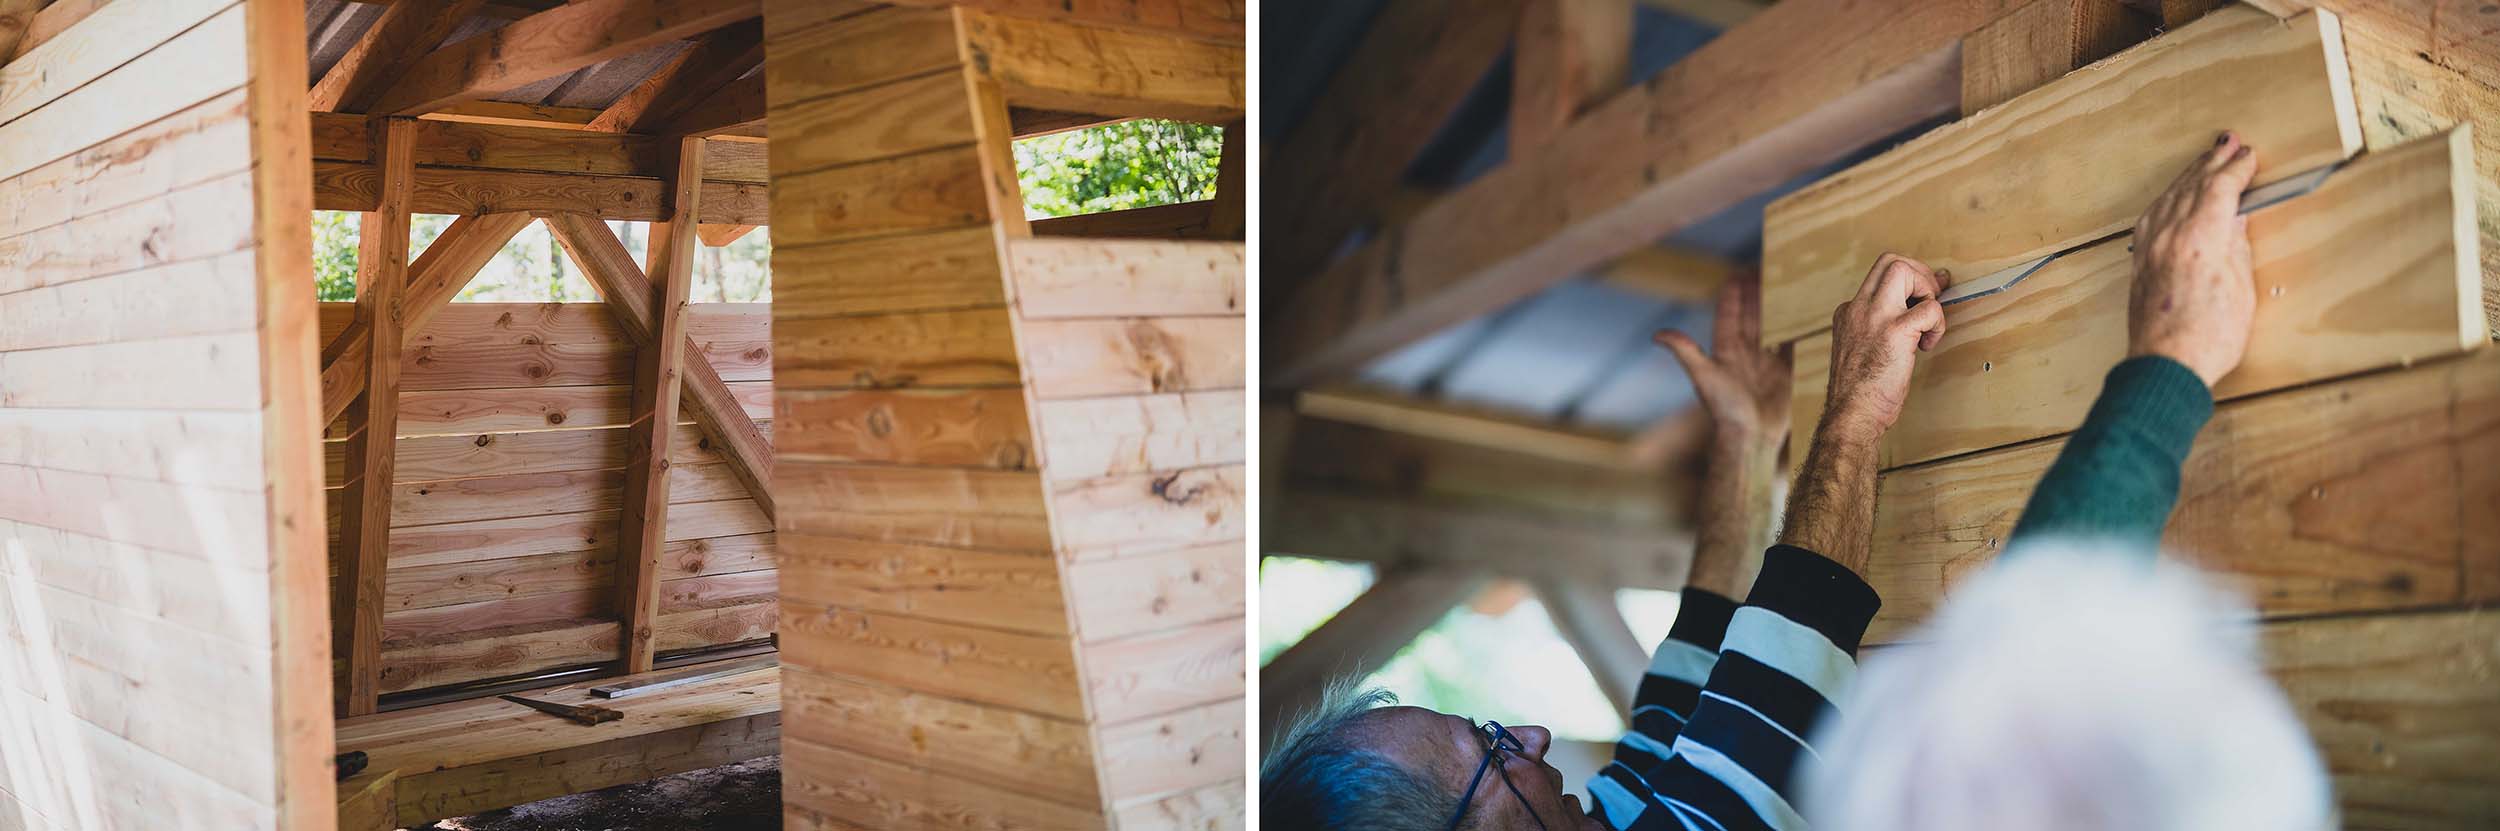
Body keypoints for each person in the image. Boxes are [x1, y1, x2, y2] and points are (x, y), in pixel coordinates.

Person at [1260, 132, 2330, 830]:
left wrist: (1742, 447)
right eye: (1486, 749)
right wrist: (2168, 360)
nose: (1527, 733)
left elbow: (1689, 703)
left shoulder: (1608, 820)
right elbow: (1994, 671)